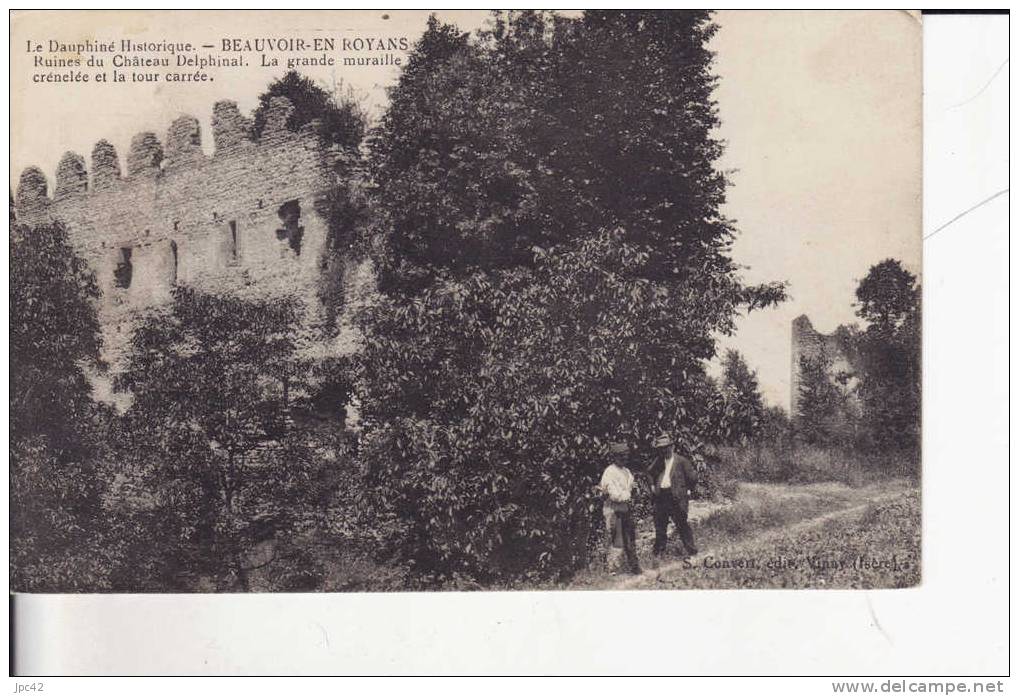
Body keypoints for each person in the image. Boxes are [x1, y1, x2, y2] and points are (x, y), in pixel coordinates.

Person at [645, 432, 698, 558]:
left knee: (682, 524)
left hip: (676, 497)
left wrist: (688, 490)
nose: (664, 450)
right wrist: (652, 486)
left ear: (672, 447)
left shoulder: (681, 461)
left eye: (666, 447)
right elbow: (648, 472)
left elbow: (693, 477)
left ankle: (692, 551)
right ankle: (659, 554)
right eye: (661, 448)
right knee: (660, 526)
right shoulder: (658, 461)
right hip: (661, 497)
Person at [598, 442, 642, 575]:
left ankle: (634, 567)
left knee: (630, 538)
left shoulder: (626, 471)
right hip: (613, 510)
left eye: (626, 456)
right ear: (615, 457)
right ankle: (612, 569)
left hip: (625, 509)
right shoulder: (609, 472)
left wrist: (635, 489)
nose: (625, 459)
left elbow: (631, 487)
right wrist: (629, 494)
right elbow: (615, 496)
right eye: (622, 456)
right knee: (615, 539)